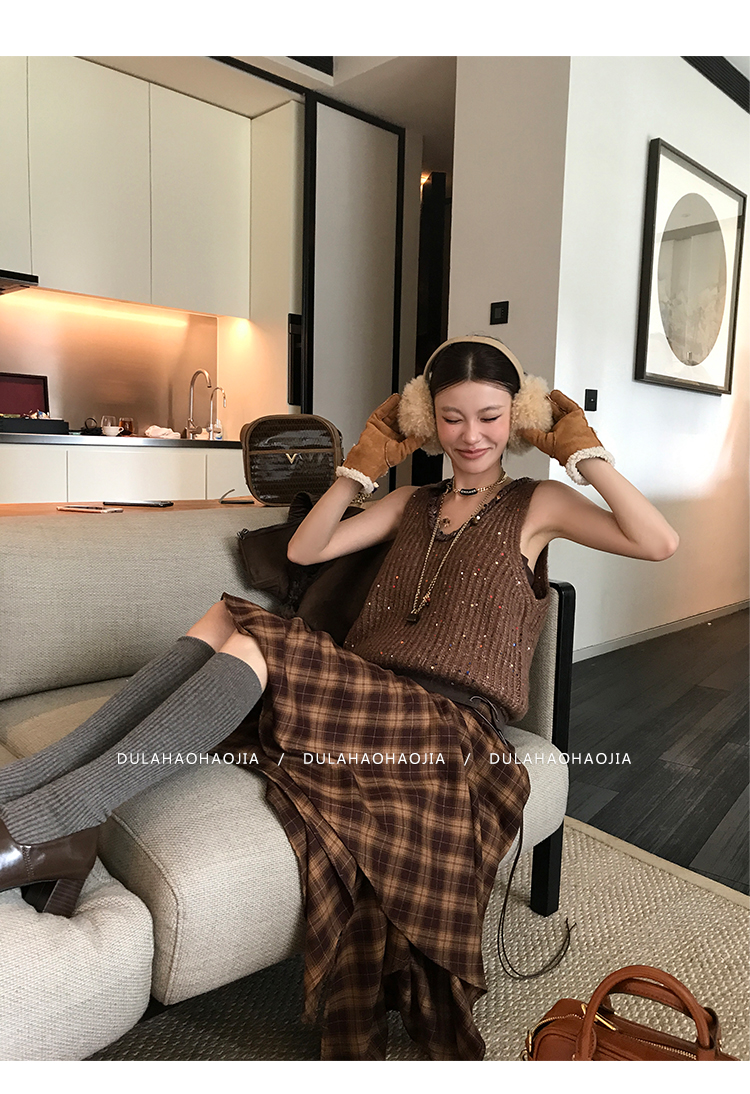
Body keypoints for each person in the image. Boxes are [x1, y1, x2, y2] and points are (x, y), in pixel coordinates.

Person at [0, 335, 679, 1060]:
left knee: (252, 636)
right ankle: (32, 789)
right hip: (367, 695)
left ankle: (54, 820)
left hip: (447, 725)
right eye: (451, 417)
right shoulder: (412, 501)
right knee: (227, 615)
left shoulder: (537, 503)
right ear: (425, 420)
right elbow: (306, 549)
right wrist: (361, 466)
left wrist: (583, 454)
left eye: (490, 417)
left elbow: (657, 541)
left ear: (521, 417)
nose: (471, 436)